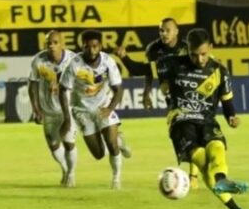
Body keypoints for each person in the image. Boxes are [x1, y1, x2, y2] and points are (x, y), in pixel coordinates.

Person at [157, 28, 249, 209]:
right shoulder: (172, 65)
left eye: (203, 54)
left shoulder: (219, 71)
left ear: (211, 48)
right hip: (181, 121)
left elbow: (227, 103)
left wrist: (232, 116)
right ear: (187, 50)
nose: (199, 59)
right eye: (194, 54)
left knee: (217, 146)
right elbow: (160, 78)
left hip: (207, 120)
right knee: (203, 162)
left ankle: (225, 185)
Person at [116, 18, 200, 189]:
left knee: (191, 132)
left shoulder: (187, 47)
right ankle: (195, 162)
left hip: (191, 95)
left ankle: (194, 176)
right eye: (161, 30)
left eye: (168, 30)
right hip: (172, 99)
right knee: (176, 132)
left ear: (176, 31)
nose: (164, 33)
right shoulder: (154, 49)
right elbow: (147, 72)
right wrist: (126, 60)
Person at [59, 30, 132, 189]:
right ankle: (119, 140)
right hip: (82, 111)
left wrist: (110, 108)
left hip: (102, 106)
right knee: (99, 154)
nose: (92, 50)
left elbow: (118, 89)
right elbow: (63, 90)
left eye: (95, 46)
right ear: (82, 46)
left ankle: (116, 179)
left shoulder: (108, 62)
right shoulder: (74, 64)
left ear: (100, 46)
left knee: (111, 145)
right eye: (88, 47)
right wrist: (66, 118)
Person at [28, 30, 78, 187]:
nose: (51, 46)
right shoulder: (38, 60)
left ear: (62, 44)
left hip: (68, 109)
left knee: (69, 142)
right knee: (53, 144)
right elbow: (32, 85)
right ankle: (65, 169)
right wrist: (36, 109)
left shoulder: (73, 59)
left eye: (55, 42)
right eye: (49, 43)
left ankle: (71, 174)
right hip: (48, 110)